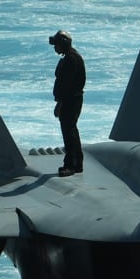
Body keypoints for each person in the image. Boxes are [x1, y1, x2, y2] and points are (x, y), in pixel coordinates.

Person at [49, 30, 85, 176]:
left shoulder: (72, 60)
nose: (55, 48)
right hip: (71, 100)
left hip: (71, 101)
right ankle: (77, 163)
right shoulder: (70, 57)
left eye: (56, 44)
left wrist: (60, 104)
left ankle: (71, 165)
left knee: (69, 133)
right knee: (71, 131)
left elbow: (67, 86)